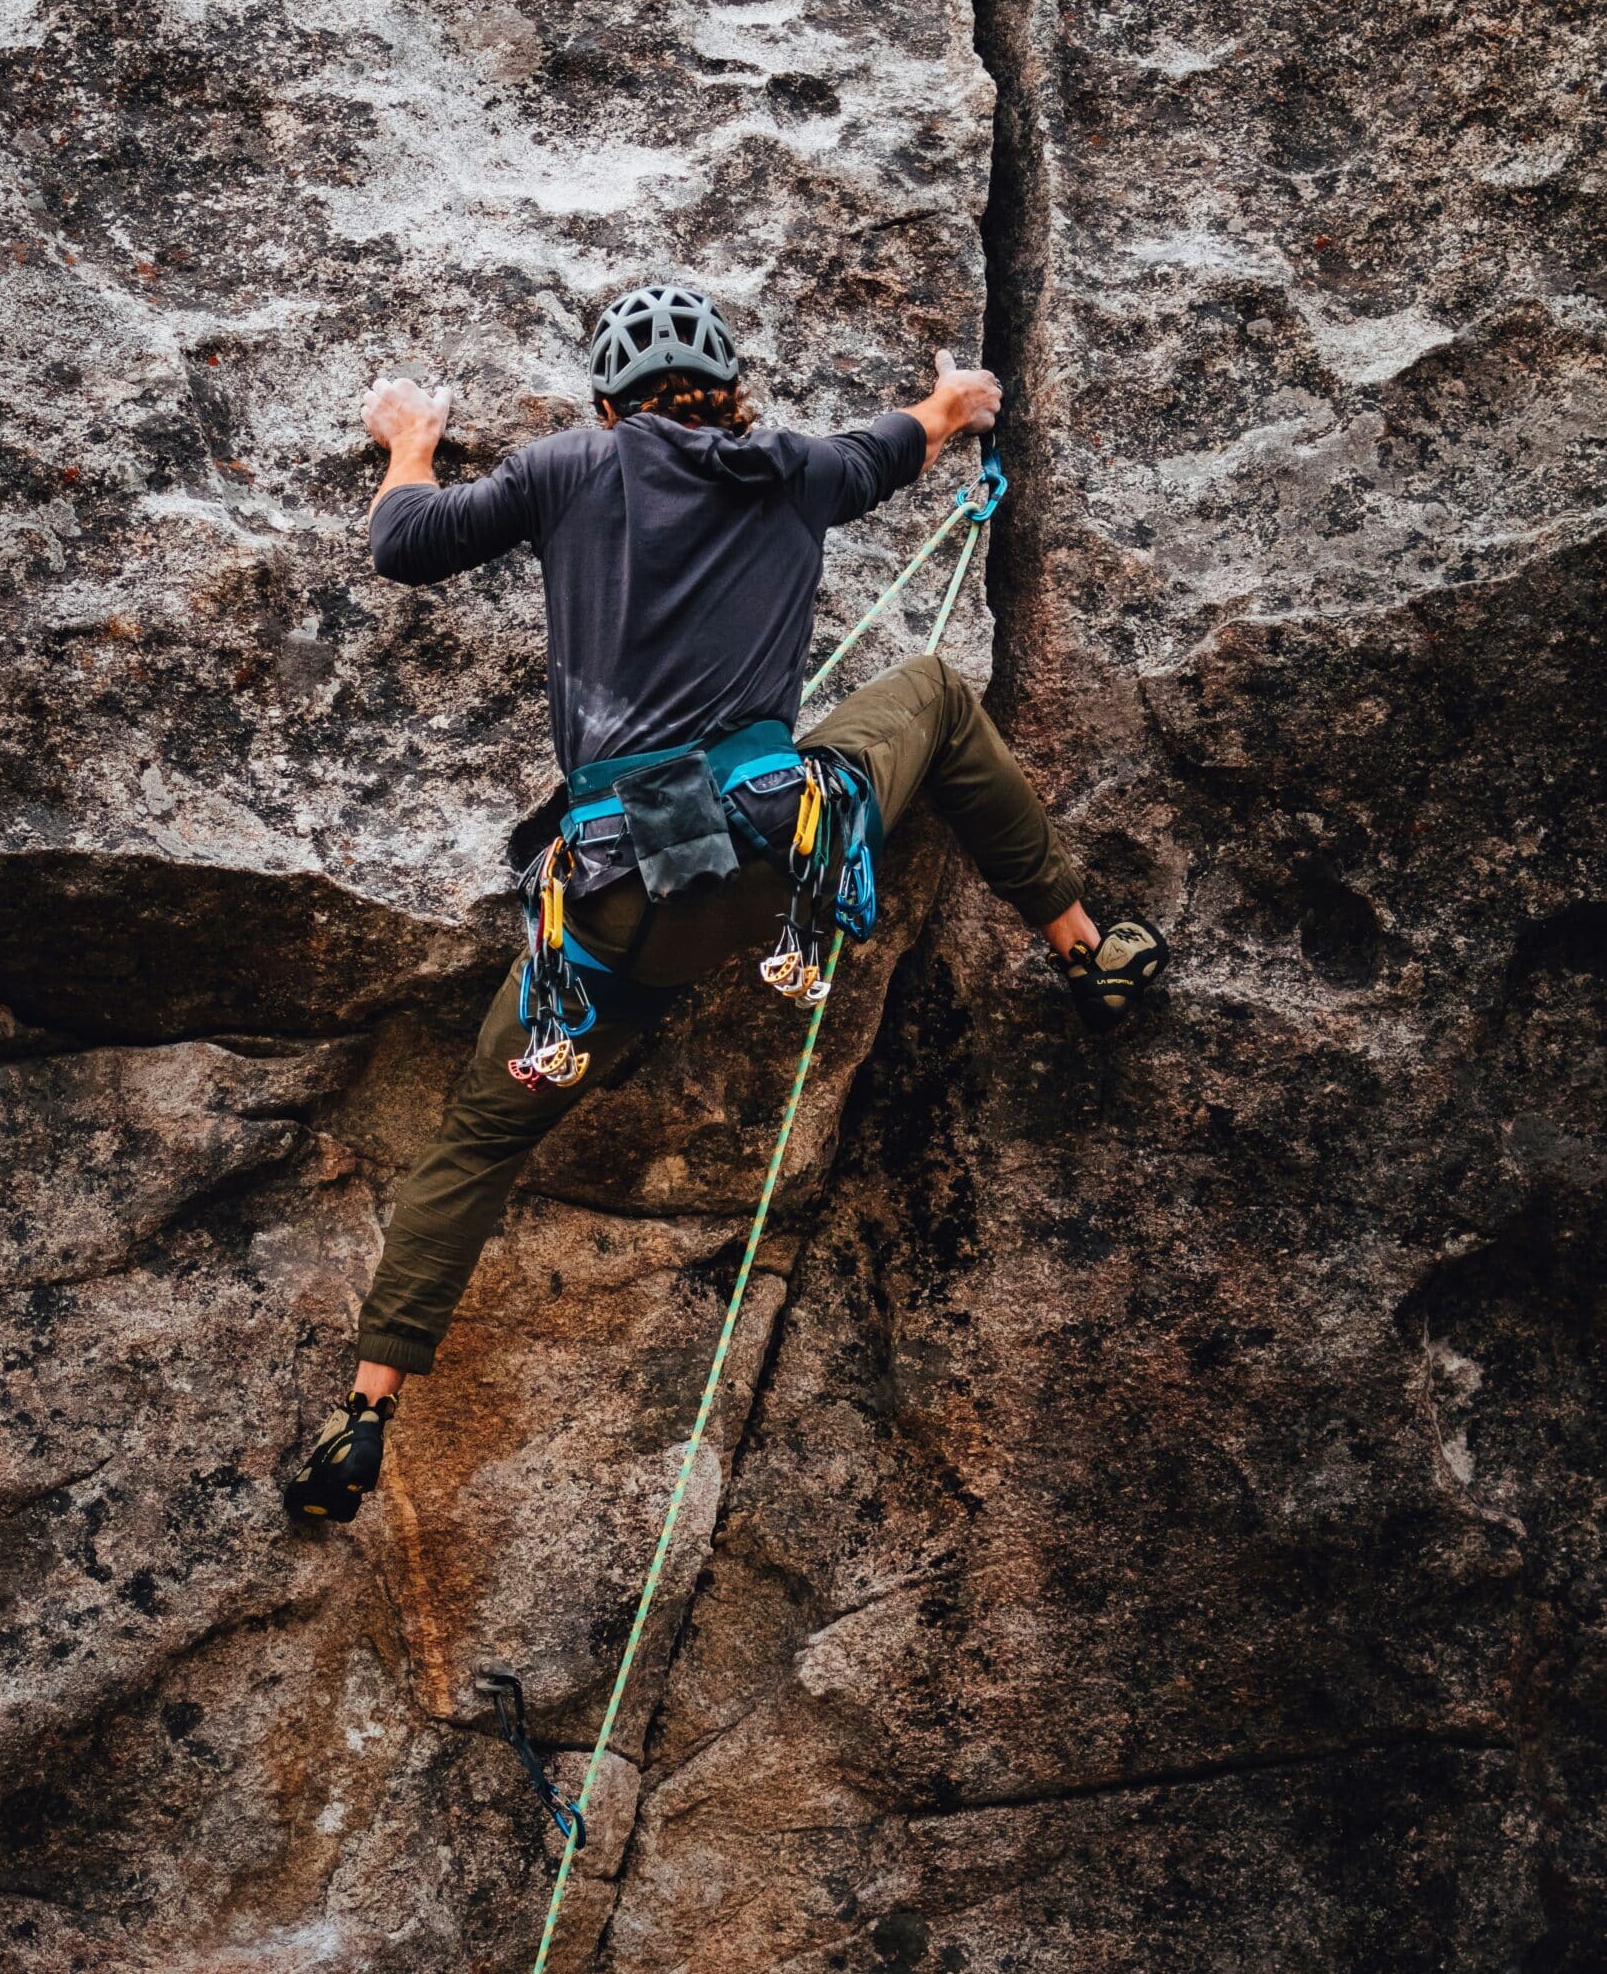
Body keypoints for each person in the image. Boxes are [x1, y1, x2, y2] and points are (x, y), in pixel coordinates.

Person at [283, 284, 1166, 1523]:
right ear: (730, 386)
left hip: (603, 918)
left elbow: (403, 543)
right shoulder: (795, 470)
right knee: (932, 695)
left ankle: (365, 1410)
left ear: (608, 402)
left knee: (478, 1138)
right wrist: (959, 401)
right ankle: (1087, 946)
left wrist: (410, 442)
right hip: (767, 863)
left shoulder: (563, 469)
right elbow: (910, 435)